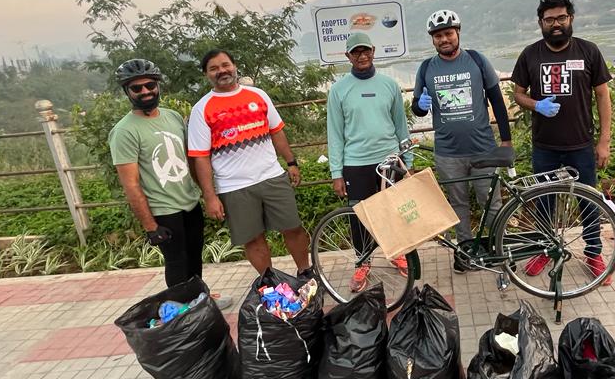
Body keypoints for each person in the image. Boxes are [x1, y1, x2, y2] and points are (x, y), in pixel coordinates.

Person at [108, 59, 231, 307]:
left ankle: (200, 299)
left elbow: (190, 159)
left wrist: (208, 195)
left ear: (157, 86)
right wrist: (150, 226)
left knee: (195, 256)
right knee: (177, 263)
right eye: (137, 88)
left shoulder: (173, 117)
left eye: (149, 85)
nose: (145, 92)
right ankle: (183, 314)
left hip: (189, 202)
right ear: (127, 92)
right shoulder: (124, 131)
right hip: (163, 210)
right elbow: (131, 184)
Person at [511, 0, 614, 283]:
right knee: (544, 202)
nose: (555, 24)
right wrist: (536, 104)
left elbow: (603, 96)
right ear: (540, 23)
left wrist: (603, 141)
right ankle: (545, 248)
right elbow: (518, 94)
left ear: (571, 19)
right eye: (549, 20)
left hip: (580, 144)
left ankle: (593, 252)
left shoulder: (588, 51)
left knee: (589, 202)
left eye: (561, 18)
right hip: (545, 146)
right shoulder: (530, 54)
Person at [187, 49, 311, 275]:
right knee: (253, 240)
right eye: (213, 68)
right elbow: (200, 157)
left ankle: (306, 273)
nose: (221, 71)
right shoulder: (202, 109)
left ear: (234, 66)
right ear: (206, 74)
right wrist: (210, 196)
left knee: (293, 228)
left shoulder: (258, 95)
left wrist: (291, 162)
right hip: (234, 187)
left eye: (225, 65)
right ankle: (270, 284)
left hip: (272, 176)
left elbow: (277, 132)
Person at [411, 9, 512, 271]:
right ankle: (465, 253)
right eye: (438, 36)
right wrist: (419, 105)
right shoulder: (426, 68)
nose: (444, 39)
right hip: (447, 153)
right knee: (458, 206)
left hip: (483, 148)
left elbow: (497, 101)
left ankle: (499, 251)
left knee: (491, 203)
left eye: (448, 33)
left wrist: (506, 140)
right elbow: (418, 108)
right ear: (433, 40)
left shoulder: (477, 61)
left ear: (457, 33)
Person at [326, 31, 412, 292]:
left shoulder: (389, 85)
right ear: (348, 56)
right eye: (356, 52)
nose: (362, 56)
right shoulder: (339, 90)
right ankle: (363, 262)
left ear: (374, 51)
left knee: (395, 211)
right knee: (359, 216)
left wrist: (406, 160)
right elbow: (335, 134)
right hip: (356, 162)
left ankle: (397, 252)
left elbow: (401, 125)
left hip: (390, 159)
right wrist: (336, 172)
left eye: (366, 51)